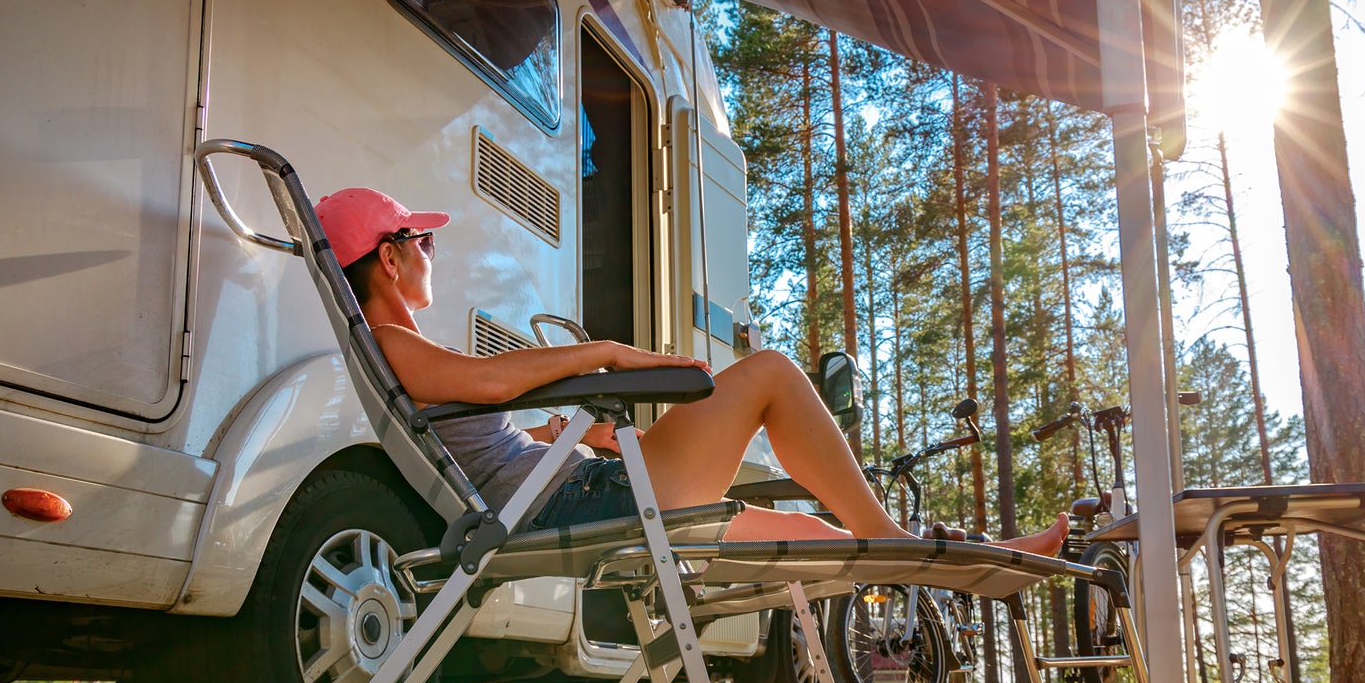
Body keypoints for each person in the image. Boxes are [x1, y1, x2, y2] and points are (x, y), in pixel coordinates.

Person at [315, 187, 1067, 553]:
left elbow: (485, 427)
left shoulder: (400, 345)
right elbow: (486, 385)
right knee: (768, 371)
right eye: (423, 242)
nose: (431, 253)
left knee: (815, 538)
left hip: (577, 486)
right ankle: (897, 541)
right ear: (388, 255)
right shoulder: (393, 341)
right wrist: (608, 353)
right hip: (581, 502)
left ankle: (958, 550)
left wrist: (564, 434)